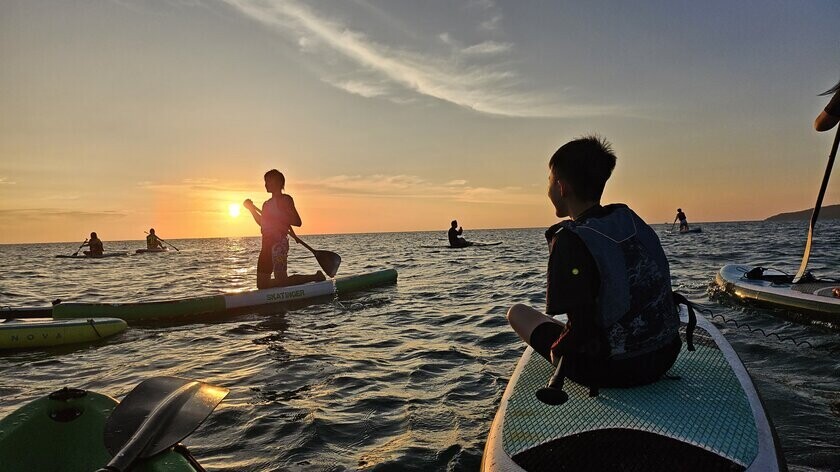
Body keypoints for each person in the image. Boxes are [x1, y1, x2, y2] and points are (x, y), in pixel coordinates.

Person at [506, 136, 681, 390]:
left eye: (549, 181)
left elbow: (581, 328)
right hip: (665, 355)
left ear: (562, 187)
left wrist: (558, 350)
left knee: (517, 313)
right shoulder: (629, 219)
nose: (548, 187)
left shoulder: (569, 240)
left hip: (615, 370)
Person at [244, 169, 325, 289]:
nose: (265, 185)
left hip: (278, 243)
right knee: (262, 285)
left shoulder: (285, 200)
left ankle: (315, 277)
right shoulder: (266, 204)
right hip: (265, 245)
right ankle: (311, 278)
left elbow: (297, 221)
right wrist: (251, 209)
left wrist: (280, 219)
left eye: (267, 181)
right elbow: (262, 223)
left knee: (281, 281)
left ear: (277, 182)